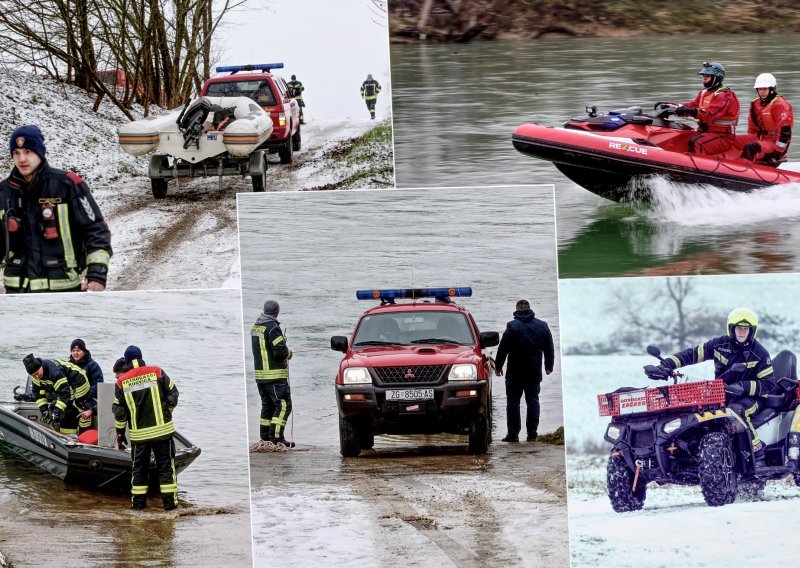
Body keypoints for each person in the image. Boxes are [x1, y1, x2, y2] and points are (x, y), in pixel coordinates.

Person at [656, 308, 775, 469]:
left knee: (736, 411)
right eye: (738, 328)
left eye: (745, 329)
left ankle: (757, 450)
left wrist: (742, 387)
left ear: (751, 331)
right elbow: (692, 354)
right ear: (731, 329)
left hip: (752, 398)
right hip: (721, 393)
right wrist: (666, 365)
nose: (741, 332)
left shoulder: (759, 353)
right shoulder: (720, 345)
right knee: (697, 412)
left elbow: (769, 384)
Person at [0, 125, 112, 293]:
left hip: (63, 293)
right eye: (16, 153)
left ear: (40, 152)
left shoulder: (69, 184)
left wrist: (97, 274)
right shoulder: (3, 191)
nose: (22, 159)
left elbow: (96, 229)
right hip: (18, 296)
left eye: (28, 151)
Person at [112, 346, 180, 510]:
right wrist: (167, 412)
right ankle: (170, 507)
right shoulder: (157, 371)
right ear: (141, 358)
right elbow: (174, 395)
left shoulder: (121, 382)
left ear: (127, 362)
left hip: (139, 436)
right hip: (163, 432)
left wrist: (120, 434)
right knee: (166, 469)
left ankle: (138, 507)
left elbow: (119, 413)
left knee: (139, 472)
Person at [494, 299, 555, 442]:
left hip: (514, 373)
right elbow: (549, 348)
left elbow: (503, 349)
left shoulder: (512, 326)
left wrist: (498, 367)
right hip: (533, 372)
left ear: (516, 310)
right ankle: (532, 434)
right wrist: (549, 366)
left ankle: (513, 434)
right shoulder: (543, 326)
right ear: (530, 309)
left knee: (513, 402)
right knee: (533, 401)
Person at [672, 62, 740, 155]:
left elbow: (710, 114)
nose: (704, 78)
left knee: (697, 143)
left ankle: (697, 167)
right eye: (703, 75)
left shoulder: (725, 96)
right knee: (680, 136)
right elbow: (691, 105)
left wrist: (691, 111)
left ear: (717, 78)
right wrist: (670, 106)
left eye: (707, 76)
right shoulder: (704, 93)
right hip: (705, 133)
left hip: (723, 137)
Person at [250, 299, 293, 446]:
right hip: (274, 376)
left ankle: (265, 439)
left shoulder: (256, 327)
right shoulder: (272, 327)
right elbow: (280, 352)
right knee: (283, 406)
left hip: (260, 376)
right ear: (277, 312)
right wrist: (289, 353)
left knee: (267, 406)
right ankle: (277, 439)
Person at [22, 353, 92, 435]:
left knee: (75, 408)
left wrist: (56, 413)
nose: (36, 377)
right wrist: (44, 410)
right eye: (33, 376)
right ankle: (69, 436)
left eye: (37, 373)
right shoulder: (36, 377)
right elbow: (39, 395)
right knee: (66, 410)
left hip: (79, 382)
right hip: (66, 385)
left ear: (41, 366)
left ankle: (84, 432)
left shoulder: (55, 372)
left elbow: (64, 395)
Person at [736, 73, 794, 165]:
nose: (761, 92)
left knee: (751, 148)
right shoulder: (755, 104)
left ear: (772, 89)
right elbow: (752, 130)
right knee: (731, 140)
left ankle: (740, 171)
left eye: (764, 89)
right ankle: (727, 163)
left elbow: (785, 134)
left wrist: (777, 154)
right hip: (761, 139)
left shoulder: (780, 105)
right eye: (759, 89)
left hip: (775, 143)